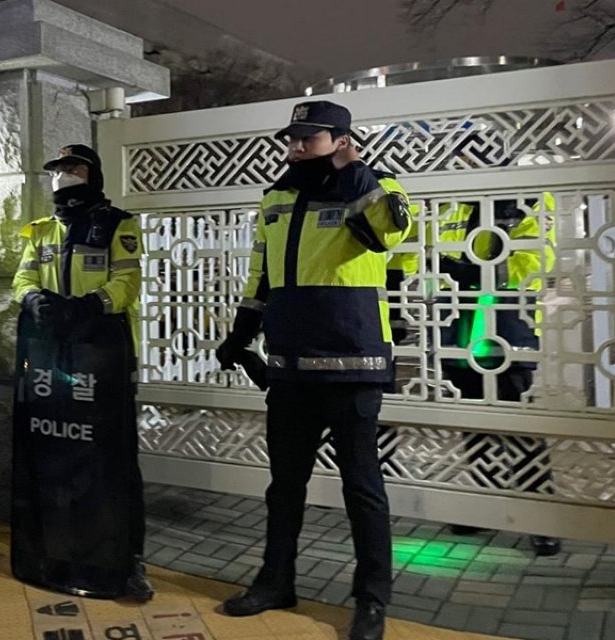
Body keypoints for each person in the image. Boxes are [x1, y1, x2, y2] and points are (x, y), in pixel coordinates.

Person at [215, 101, 412, 640]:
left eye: (310, 137)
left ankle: (371, 600)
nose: (297, 146)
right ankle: (275, 581)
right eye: (292, 138)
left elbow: (388, 233)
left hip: (354, 365)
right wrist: (240, 333)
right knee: (284, 487)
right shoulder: (276, 197)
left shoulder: (378, 186)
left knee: (362, 489)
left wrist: (353, 171)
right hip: (291, 366)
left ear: (342, 140)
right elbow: (262, 275)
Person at [12, 143, 152, 602]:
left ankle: (126, 559)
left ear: (93, 175)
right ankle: (56, 550)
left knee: (111, 458)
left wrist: (89, 306)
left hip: (103, 358)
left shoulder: (117, 224)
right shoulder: (41, 231)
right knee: (56, 453)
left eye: (73, 168)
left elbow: (127, 283)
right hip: (53, 360)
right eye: (58, 169)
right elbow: (22, 279)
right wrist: (34, 300)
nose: (64, 176)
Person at [429, 195, 561, 556]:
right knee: (475, 424)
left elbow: (534, 262)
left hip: (506, 328)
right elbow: (433, 256)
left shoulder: (529, 201)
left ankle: (541, 518)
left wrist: (476, 271)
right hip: (460, 329)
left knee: (519, 427)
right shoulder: (453, 203)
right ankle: (483, 505)